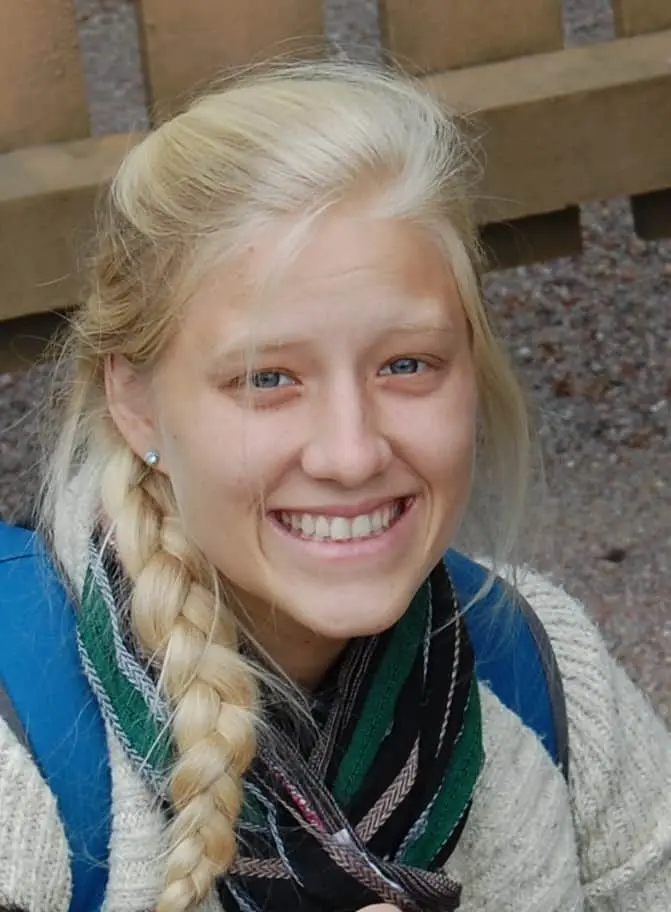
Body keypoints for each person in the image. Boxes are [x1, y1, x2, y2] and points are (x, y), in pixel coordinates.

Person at [0, 59, 669, 912]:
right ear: (134, 402)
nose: (351, 455)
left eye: (406, 364)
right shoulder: (20, 746)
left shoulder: (541, 670)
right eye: (266, 378)